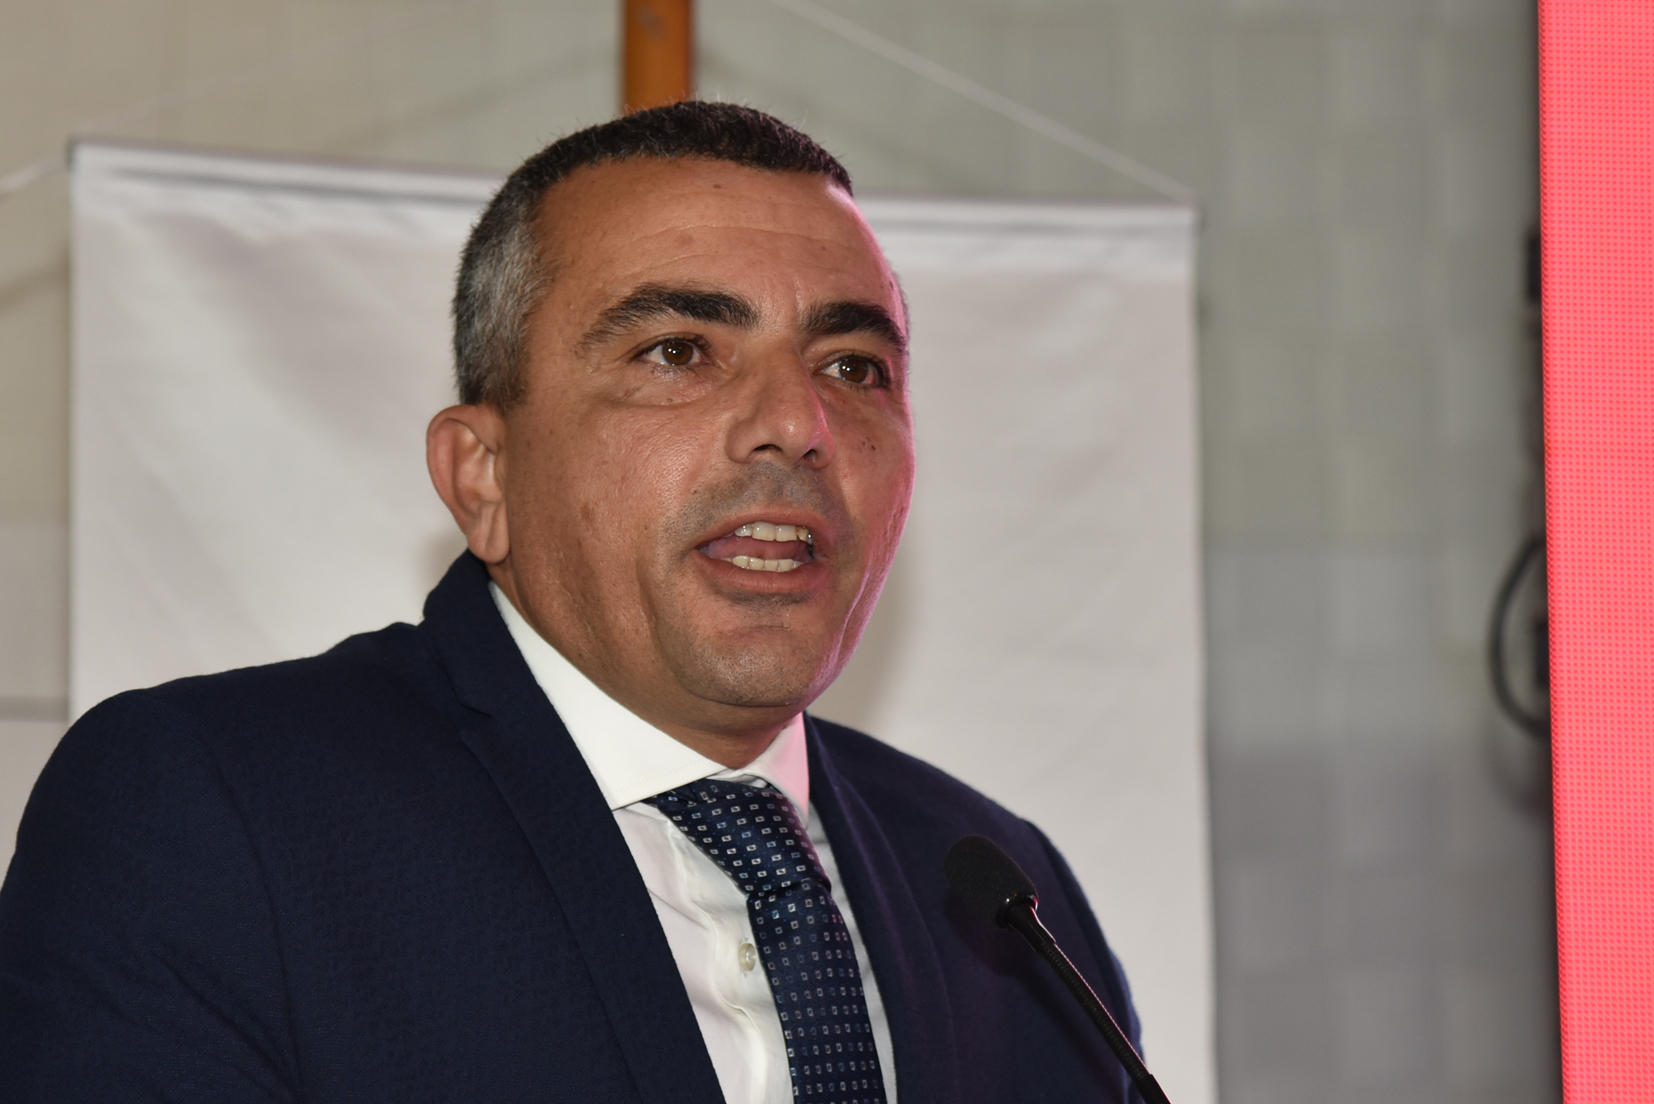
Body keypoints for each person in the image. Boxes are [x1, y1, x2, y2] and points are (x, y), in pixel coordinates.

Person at [0, 103, 1140, 1103]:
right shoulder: (214, 814)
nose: (798, 425)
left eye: (852, 367)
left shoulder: (1003, 897)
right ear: (484, 479)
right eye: (679, 351)